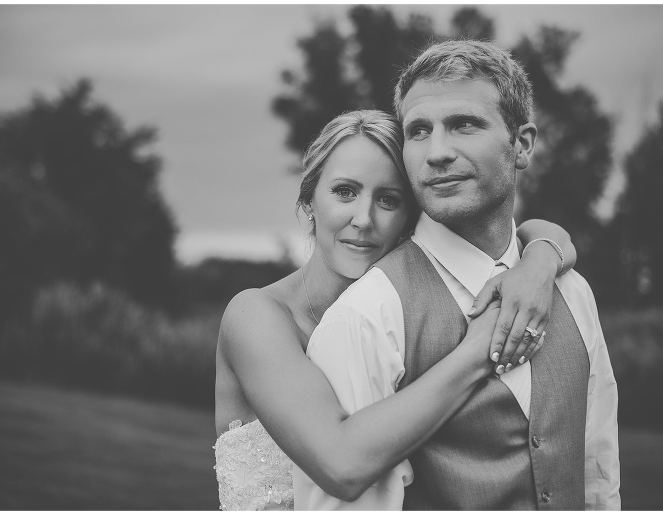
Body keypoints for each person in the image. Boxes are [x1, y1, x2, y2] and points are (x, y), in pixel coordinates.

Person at [296, 40, 620, 510]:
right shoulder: (367, 316)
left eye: (464, 124)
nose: (437, 152)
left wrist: (544, 255)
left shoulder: (571, 290)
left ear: (522, 144)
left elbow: (598, 471)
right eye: (419, 131)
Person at [215, 109, 578, 510]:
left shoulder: (396, 319)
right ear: (309, 200)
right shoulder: (255, 316)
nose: (364, 219)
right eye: (345, 192)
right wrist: (479, 351)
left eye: (388, 200)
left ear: (410, 219)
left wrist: (541, 260)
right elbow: (340, 466)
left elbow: (533, 233)